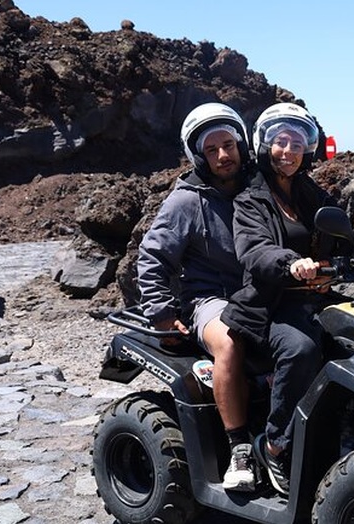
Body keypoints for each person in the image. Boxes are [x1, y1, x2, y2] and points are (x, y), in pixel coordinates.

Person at [221, 102, 354, 495]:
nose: (288, 150)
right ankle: (275, 445)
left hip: (319, 300)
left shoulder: (314, 194)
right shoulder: (250, 199)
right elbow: (254, 251)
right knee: (302, 349)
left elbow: (352, 247)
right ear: (265, 144)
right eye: (280, 141)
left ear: (308, 148)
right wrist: (293, 264)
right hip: (271, 304)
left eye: (297, 142)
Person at [137, 102, 258, 492]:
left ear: (242, 144)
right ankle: (239, 448)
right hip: (212, 298)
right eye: (211, 149)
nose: (223, 155)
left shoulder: (260, 188)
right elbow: (153, 255)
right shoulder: (187, 201)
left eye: (229, 144)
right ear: (198, 155)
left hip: (261, 292)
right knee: (231, 340)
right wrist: (159, 312)